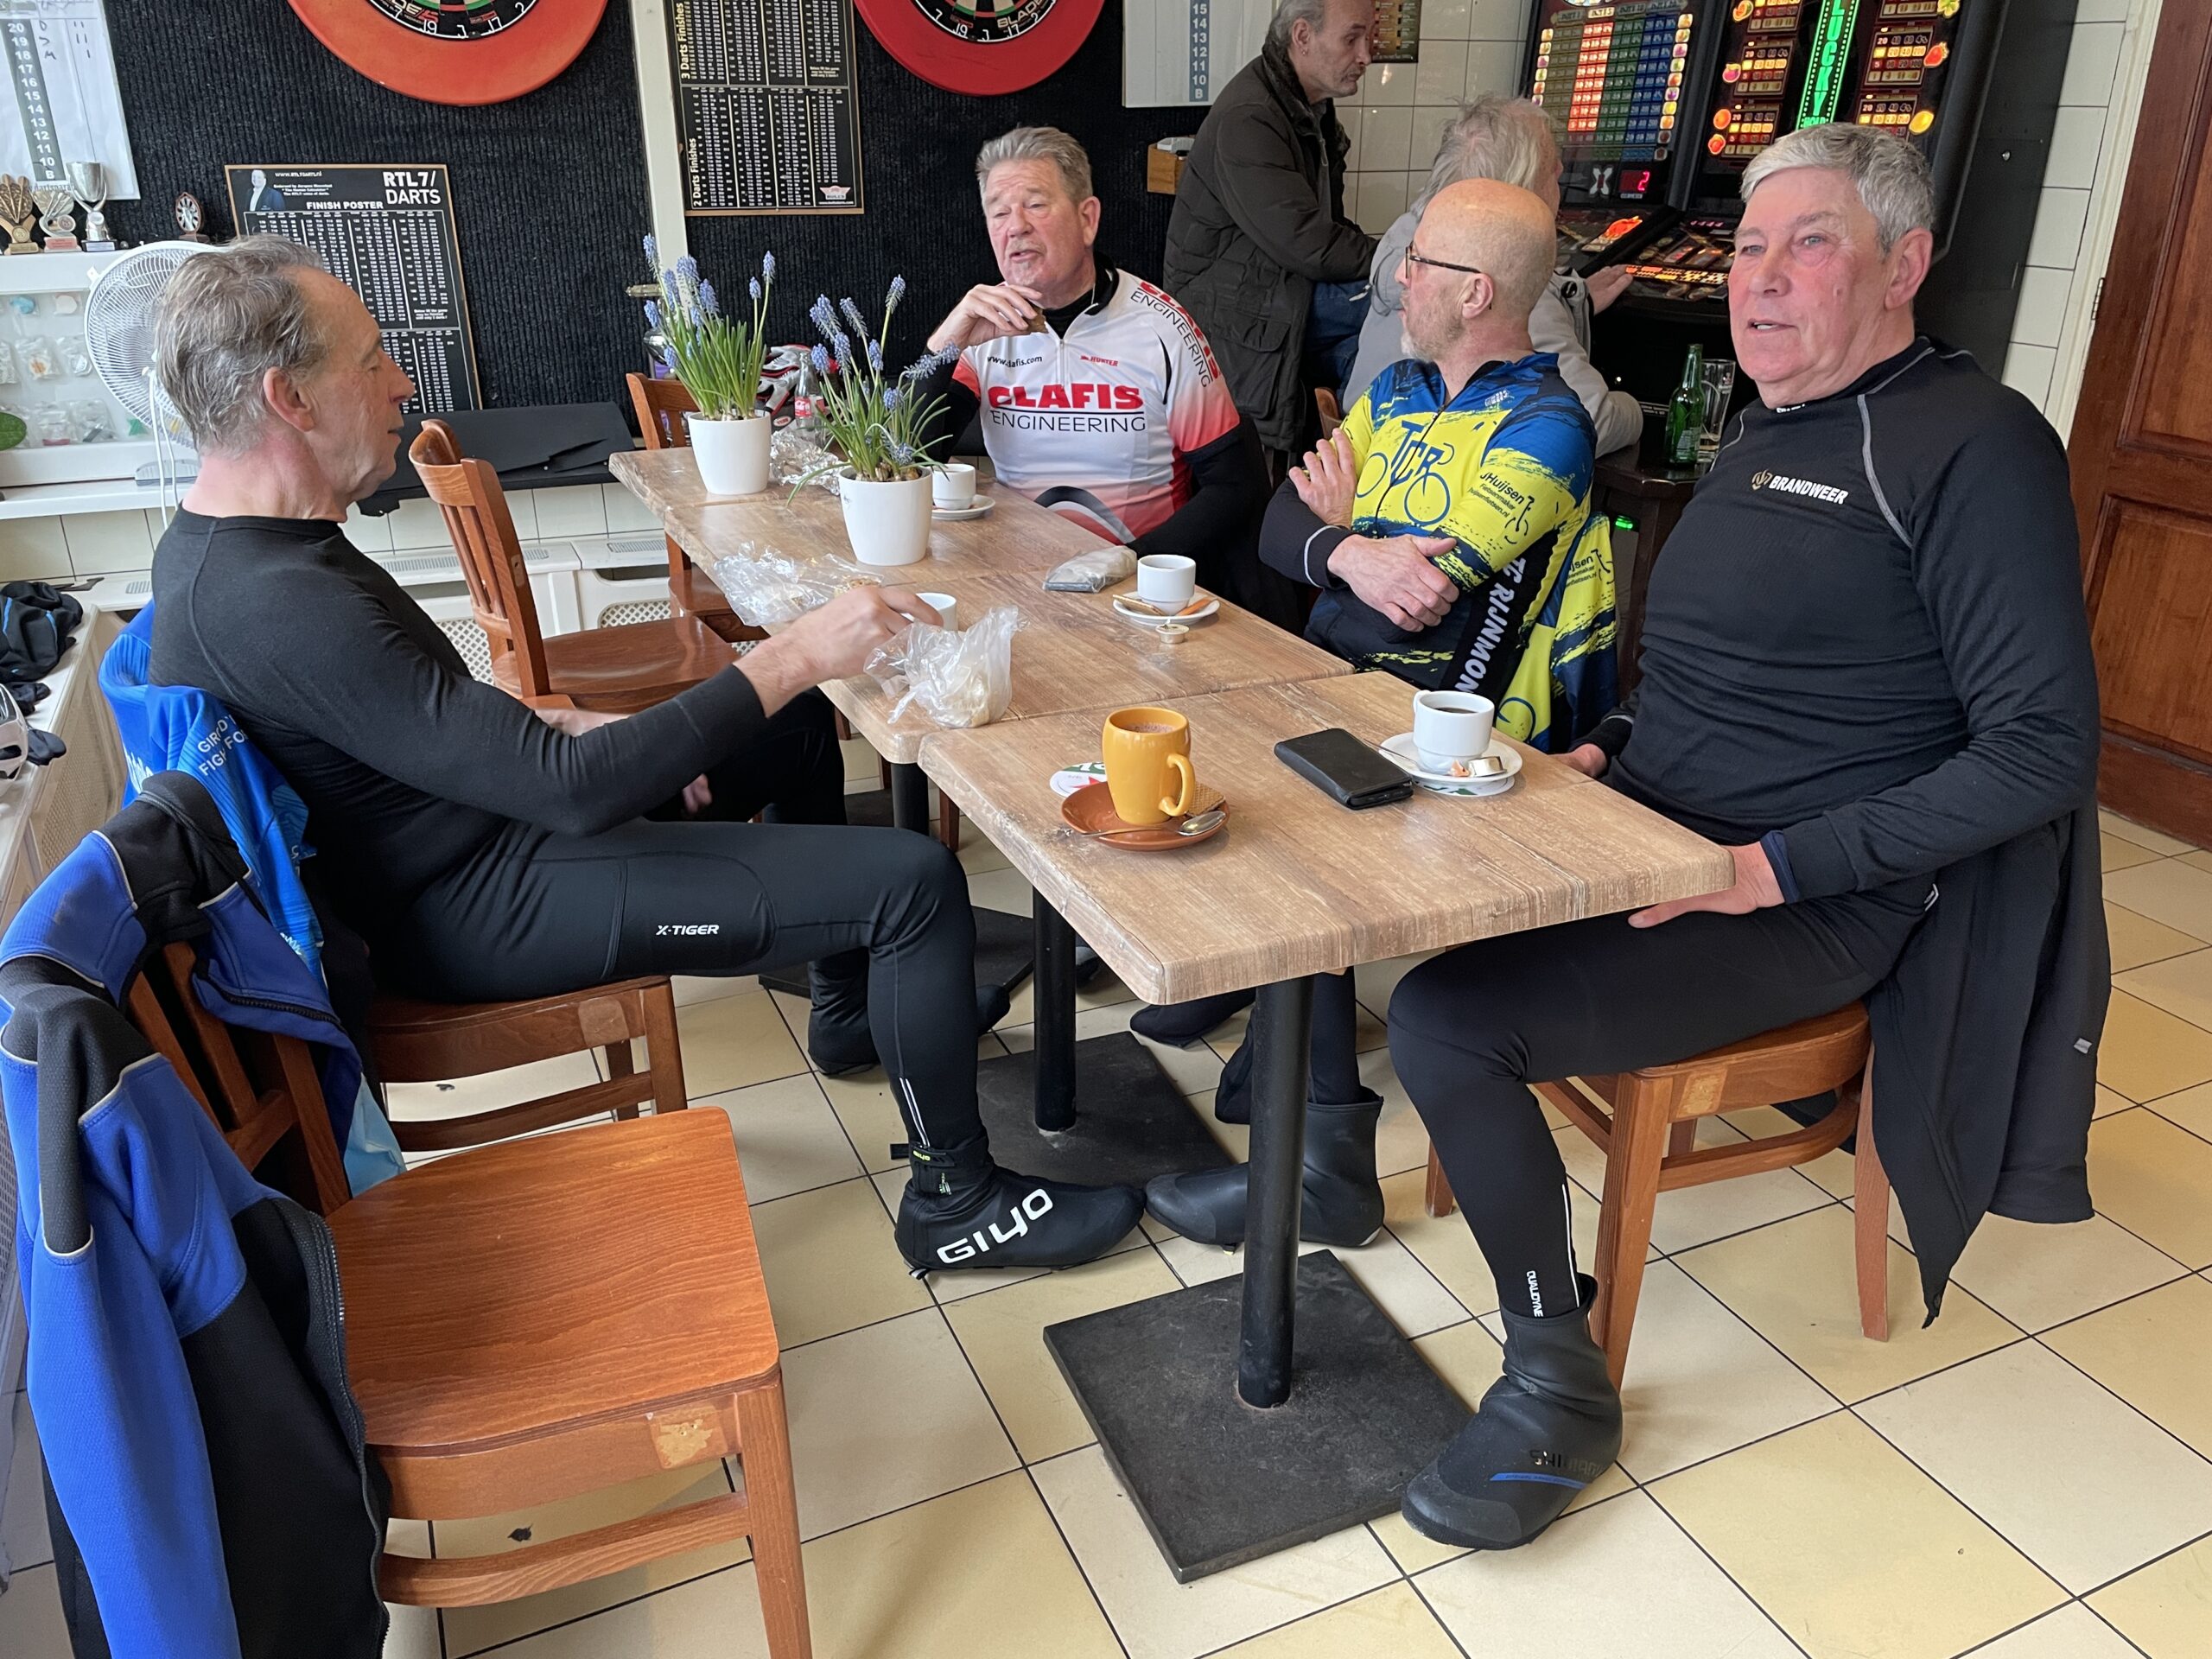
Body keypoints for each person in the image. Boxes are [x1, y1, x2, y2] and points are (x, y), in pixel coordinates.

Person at [145, 236, 1144, 1275]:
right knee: (913, 883)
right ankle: (956, 1200)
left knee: (795, 731)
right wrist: (798, 651)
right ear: (289, 399)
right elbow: (575, 796)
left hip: (474, 830)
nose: (401, 382)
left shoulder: (247, 554)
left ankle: (849, 1013)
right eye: (370, 361)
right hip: (468, 902)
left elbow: (402, 723)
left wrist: (557, 724)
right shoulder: (270, 603)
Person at [1384, 124, 2106, 1554]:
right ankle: (1325, 1155)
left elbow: (2043, 749)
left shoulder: (1978, 448)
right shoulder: (1772, 426)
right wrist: (1603, 749)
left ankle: (1558, 1375)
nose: (1759, 279)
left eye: (1809, 245)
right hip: (1654, 828)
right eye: (1751, 247)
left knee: (1444, 1019)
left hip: (1809, 894)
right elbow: (1704, 677)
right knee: (1384, 877)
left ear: (1905, 265)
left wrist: (1769, 870)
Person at [1142, 178, 1618, 1249]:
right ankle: (1266, 1020)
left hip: (1470, 733)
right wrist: (1353, 549)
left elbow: (1424, 595)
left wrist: (1344, 544)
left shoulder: (1548, 427)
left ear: (1476, 290)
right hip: (1349, 688)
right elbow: (1279, 529)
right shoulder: (1397, 389)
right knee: (1223, 738)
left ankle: (1327, 1160)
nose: (1397, 280)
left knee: (1297, 830)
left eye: (1420, 264)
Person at [914, 126, 1270, 610]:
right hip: (1020, 584)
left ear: (1087, 219)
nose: (1015, 226)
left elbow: (1236, 487)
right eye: (998, 212)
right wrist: (946, 345)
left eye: (1035, 205)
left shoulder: (1162, 326)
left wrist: (1129, 561)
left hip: (1141, 593)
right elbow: (904, 458)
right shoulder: (983, 327)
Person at [1344, 94, 1643, 454]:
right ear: (1522, 189)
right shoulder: (1510, 279)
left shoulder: (1405, 235)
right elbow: (1587, 423)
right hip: (1440, 470)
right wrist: (1638, 410)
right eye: (1552, 169)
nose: (1562, 174)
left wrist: (1575, 300)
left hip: (1370, 451)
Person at [1164, 0, 1377, 467]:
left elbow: (1328, 232)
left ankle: (1365, 462)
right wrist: (1401, 258)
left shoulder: (1308, 107)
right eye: (1352, 38)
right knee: (1394, 304)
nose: (1366, 55)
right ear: (1302, 36)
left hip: (1277, 289)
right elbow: (1311, 245)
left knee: (1397, 325)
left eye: (1370, 38)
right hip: (1232, 315)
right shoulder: (1251, 116)